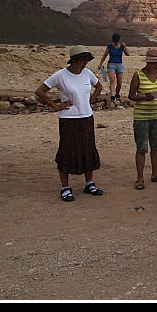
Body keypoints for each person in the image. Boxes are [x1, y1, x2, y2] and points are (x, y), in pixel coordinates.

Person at [35, 45, 105, 202]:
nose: (85, 63)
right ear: (74, 60)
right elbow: (40, 91)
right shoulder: (60, 75)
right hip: (68, 118)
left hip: (86, 117)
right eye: (82, 60)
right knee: (67, 150)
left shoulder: (87, 73)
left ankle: (89, 183)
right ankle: (65, 187)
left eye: (86, 60)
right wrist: (56, 106)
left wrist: (90, 101)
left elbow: (99, 86)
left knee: (88, 148)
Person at [128, 48, 157, 190]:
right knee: (141, 147)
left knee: (156, 146)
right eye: (156, 63)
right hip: (141, 116)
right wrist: (144, 97)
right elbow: (131, 95)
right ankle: (140, 178)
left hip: (156, 114)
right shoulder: (138, 75)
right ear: (148, 62)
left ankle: (155, 174)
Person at [98, 33, 130, 101]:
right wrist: (100, 63)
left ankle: (117, 93)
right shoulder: (109, 47)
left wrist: (125, 47)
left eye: (117, 41)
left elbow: (128, 54)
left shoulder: (122, 47)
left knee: (119, 82)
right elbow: (105, 55)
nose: (116, 42)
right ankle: (112, 95)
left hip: (119, 65)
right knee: (112, 81)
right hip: (111, 65)